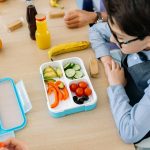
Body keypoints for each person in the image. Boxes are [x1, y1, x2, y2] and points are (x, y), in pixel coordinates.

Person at [90, 0, 150, 147]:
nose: (112, 39)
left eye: (120, 38)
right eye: (111, 31)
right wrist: (106, 61)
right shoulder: (132, 29)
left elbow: (129, 132)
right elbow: (96, 30)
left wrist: (117, 86)